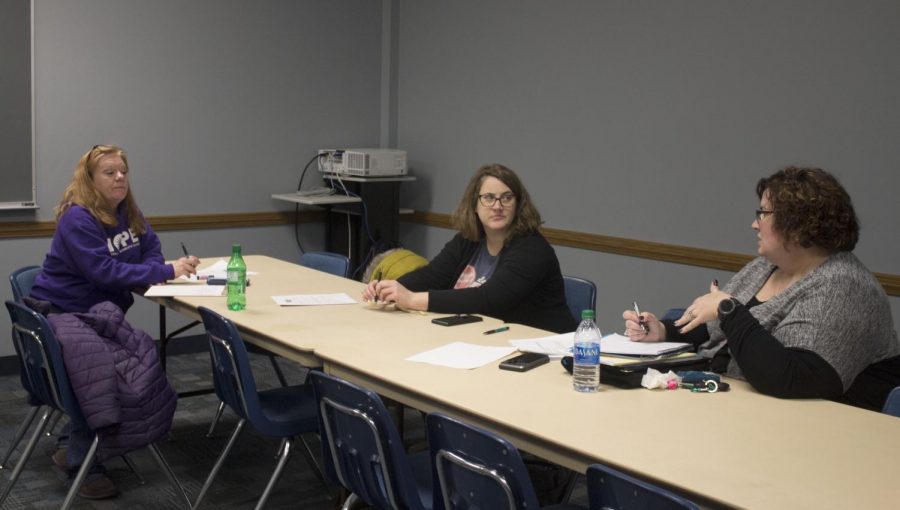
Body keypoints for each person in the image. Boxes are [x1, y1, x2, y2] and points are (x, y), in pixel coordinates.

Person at [623, 166, 899, 406]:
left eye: (763, 213)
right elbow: (715, 333)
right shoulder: (766, 266)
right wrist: (661, 331)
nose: (754, 224)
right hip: (739, 405)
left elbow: (791, 378)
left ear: (799, 225)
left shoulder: (843, 288)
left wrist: (728, 309)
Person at [28, 144, 198, 499]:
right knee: (104, 374)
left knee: (135, 358)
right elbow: (102, 271)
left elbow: (149, 245)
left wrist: (156, 266)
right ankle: (83, 463)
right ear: (90, 180)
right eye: (110, 172)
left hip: (99, 315)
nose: (119, 177)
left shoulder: (126, 210)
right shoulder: (79, 217)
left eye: (123, 171)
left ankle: (73, 446)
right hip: (64, 312)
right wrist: (166, 270)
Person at [362, 163, 576, 334]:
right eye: (489, 198)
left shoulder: (532, 249)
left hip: (545, 350)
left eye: (507, 198)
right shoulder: (469, 239)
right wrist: (389, 288)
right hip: (485, 339)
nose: (498, 206)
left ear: (518, 205)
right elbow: (432, 275)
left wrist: (411, 299)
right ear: (474, 205)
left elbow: (488, 299)